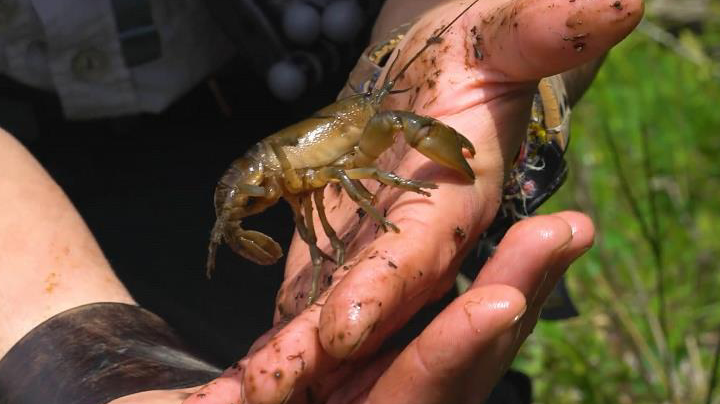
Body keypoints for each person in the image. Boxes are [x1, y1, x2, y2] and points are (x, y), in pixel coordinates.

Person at [0, 0, 643, 403]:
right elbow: (354, 177)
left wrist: (452, 43)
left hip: (309, 79)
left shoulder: (349, 122)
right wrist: (83, 366)